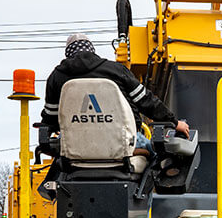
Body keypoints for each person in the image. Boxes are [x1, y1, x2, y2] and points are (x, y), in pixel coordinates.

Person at [41, 33, 190, 151]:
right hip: (125, 143)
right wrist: (174, 122)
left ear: (68, 53)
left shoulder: (56, 77)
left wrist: (45, 134)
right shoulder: (116, 70)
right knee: (156, 156)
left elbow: (51, 117)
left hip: (73, 146)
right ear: (92, 50)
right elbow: (146, 101)